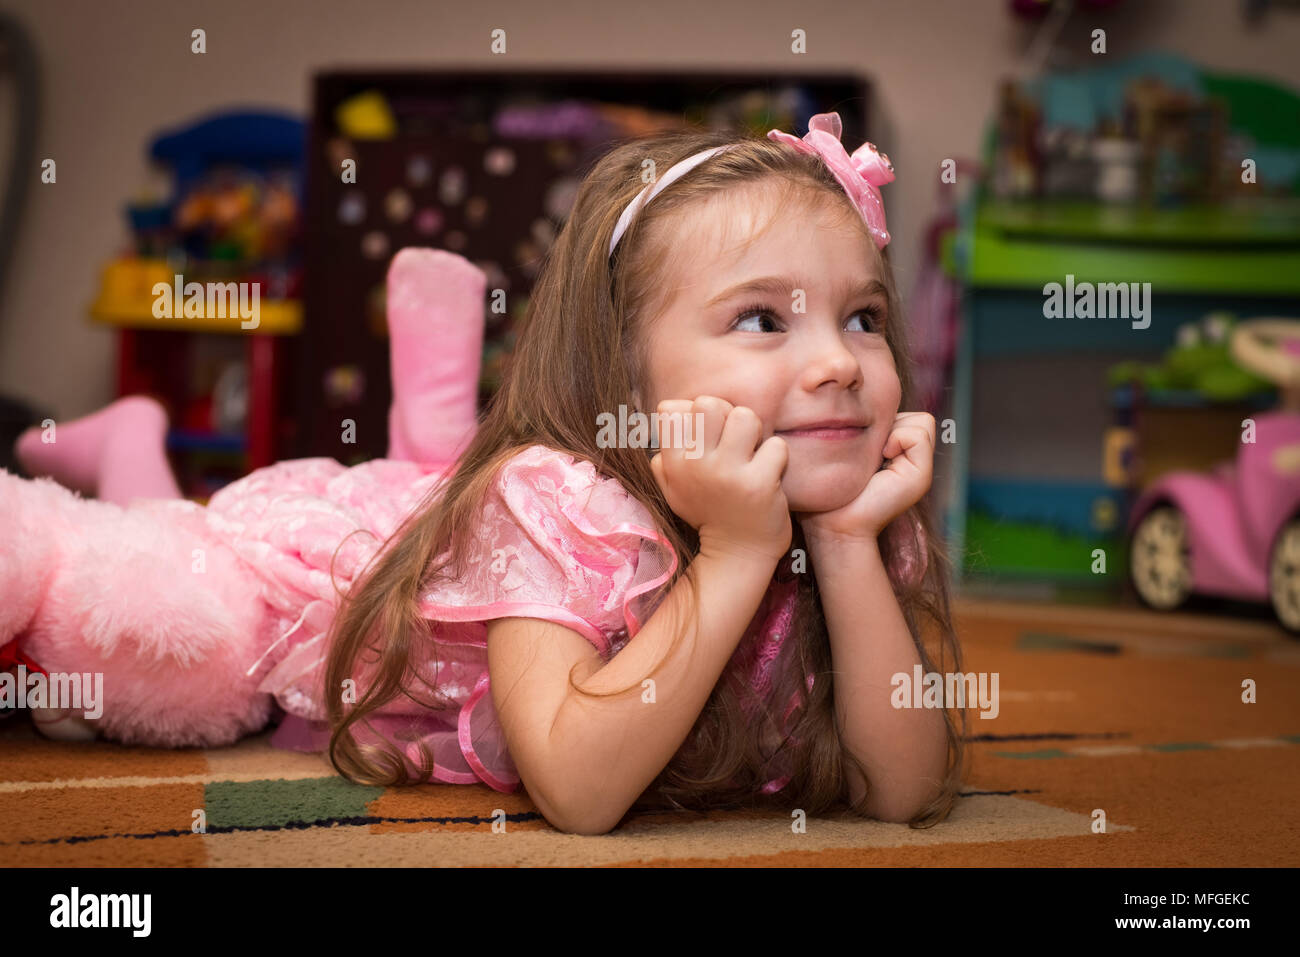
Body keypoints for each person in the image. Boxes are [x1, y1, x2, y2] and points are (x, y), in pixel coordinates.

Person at [1, 113, 967, 835]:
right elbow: (578, 791)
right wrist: (734, 556)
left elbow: (902, 793)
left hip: (450, 502)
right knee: (170, 606)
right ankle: (135, 458)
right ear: (624, 370)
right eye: (763, 319)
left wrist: (843, 548)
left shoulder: (858, 519)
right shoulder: (559, 506)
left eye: (865, 317)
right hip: (336, 574)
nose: (841, 362)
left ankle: (140, 446)